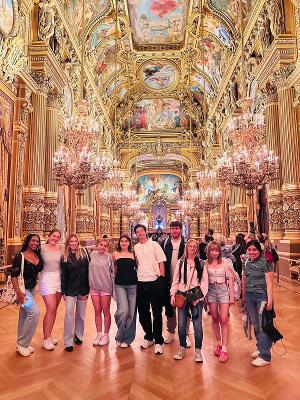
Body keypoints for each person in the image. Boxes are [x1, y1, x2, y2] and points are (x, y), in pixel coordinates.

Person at [170, 239, 208, 362]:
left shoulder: (201, 264)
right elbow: (176, 280)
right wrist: (172, 294)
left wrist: (199, 297)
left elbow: (204, 282)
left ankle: (198, 350)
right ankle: (182, 347)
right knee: (181, 323)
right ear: (186, 248)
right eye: (190, 246)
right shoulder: (181, 262)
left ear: (197, 249)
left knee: (197, 324)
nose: (192, 248)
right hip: (182, 295)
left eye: (194, 247)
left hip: (196, 296)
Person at [134, 224, 167, 355]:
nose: (140, 233)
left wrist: (161, 279)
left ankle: (158, 341)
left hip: (154, 281)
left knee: (157, 313)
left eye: (141, 231)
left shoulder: (154, 245)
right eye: (137, 231)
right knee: (142, 312)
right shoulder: (135, 247)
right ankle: (149, 336)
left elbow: (161, 262)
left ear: (145, 232)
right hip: (140, 282)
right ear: (136, 234)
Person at [242, 240, 274, 367]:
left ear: (259, 250)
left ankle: (265, 356)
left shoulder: (265, 261)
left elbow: (269, 283)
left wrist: (270, 300)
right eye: (249, 249)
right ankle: (261, 348)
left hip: (262, 296)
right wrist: (244, 297)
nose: (252, 252)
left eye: (254, 250)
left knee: (263, 325)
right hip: (250, 296)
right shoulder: (246, 261)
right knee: (256, 324)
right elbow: (244, 278)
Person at [11, 234, 43, 357]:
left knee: (24, 315)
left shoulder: (37, 255)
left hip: (33, 289)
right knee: (34, 313)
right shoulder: (21, 255)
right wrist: (18, 292)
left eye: (37, 241)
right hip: (24, 290)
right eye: (33, 240)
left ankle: (20, 342)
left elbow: (38, 272)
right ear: (28, 241)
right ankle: (23, 343)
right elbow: (14, 275)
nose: (35, 243)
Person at [205, 241, 234, 363]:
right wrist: (204, 296)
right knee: (215, 318)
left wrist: (231, 295)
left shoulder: (226, 262)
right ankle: (218, 343)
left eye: (216, 250)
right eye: (212, 250)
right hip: (211, 292)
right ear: (208, 251)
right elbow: (203, 281)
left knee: (224, 319)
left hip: (223, 292)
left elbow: (230, 278)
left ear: (219, 251)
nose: (214, 253)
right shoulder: (205, 263)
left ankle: (225, 348)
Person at [61, 234, 90, 352]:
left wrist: (89, 288)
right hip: (70, 289)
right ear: (68, 243)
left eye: (75, 241)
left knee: (81, 315)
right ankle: (68, 342)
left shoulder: (84, 253)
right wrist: (63, 290)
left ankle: (78, 336)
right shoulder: (65, 256)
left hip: (83, 288)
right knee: (69, 314)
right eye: (71, 241)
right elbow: (63, 275)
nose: (73, 243)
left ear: (78, 242)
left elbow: (90, 271)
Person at [161, 220, 187, 345]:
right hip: (168, 280)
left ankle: (185, 334)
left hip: (183, 282)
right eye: (172, 228)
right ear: (170, 230)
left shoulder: (186, 243)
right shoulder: (165, 242)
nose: (174, 231)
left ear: (180, 229)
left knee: (184, 308)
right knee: (169, 308)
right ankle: (171, 332)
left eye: (177, 228)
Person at [112, 234, 137, 348]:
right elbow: (112, 271)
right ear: (119, 243)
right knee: (123, 310)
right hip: (120, 285)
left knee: (131, 312)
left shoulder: (133, 254)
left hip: (133, 285)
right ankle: (119, 335)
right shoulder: (114, 254)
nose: (124, 243)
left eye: (126, 241)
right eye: (122, 241)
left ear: (129, 243)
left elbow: (138, 268)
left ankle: (127, 339)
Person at [40, 229, 63, 350]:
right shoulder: (42, 249)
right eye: (54, 236)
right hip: (47, 278)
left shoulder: (61, 248)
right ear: (49, 236)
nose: (55, 238)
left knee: (55, 309)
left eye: (58, 237)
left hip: (59, 278)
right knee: (51, 308)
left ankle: (49, 334)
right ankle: (45, 338)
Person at [89, 239, 114, 346]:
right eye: (101, 245)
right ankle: (99, 334)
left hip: (105, 288)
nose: (102, 247)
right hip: (94, 288)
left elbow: (113, 272)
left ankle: (106, 334)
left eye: (105, 246)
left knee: (106, 311)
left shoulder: (110, 257)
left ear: (107, 247)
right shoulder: (91, 255)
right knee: (97, 311)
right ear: (97, 245)